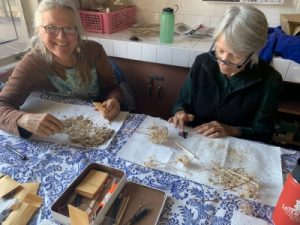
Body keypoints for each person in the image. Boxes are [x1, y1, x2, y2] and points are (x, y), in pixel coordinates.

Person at [0, 0, 123, 138]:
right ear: (39, 31)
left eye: (68, 28)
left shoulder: (94, 50)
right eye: (51, 28)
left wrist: (115, 99)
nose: (61, 36)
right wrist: (22, 118)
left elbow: (112, 87)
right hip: (57, 134)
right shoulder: (32, 62)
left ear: (77, 31)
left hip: (98, 125)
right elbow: (2, 104)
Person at [168, 5, 283, 143]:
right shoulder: (201, 63)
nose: (223, 60)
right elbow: (182, 101)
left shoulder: (270, 80)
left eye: (235, 55)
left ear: (254, 52)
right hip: (195, 141)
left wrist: (232, 130)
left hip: (237, 149)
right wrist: (180, 112)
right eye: (220, 50)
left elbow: (264, 132)